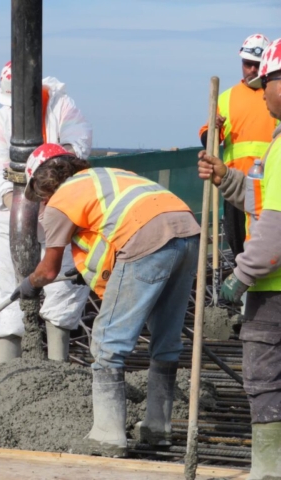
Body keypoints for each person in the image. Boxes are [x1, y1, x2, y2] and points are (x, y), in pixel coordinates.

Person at [13, 143, 200, 457]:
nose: (43, 202)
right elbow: (112, 231)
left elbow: (48, 270)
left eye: (41, 195)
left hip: (146, 239)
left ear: (44, 182)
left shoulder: (60, 202)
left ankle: (108, 435)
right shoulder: (105, 176)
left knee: (107, 342)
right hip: (187, 230)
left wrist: (29, 285)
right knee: (166, 339)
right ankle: (157, 427)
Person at [198, 38, 281, 480]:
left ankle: (268, 471)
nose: (261, 89)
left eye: (266, 79)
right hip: (268, 263)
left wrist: (238, 279)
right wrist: (225, 177)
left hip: (274, 287)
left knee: (265, 377)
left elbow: (274, 231)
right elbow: (264, 199)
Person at [0, 61, 93, 361]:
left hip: (61, 204)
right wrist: (11, 199)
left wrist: (49, 186)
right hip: (15, 214)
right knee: (12, 292)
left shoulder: (62, 107)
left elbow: (77, 147)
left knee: (62, 290)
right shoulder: (1, 119)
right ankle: (7, 369)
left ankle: (58, 367)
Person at [199, 34, 276, 260]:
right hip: (234, 185)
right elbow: (207, 138)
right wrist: (213, 129)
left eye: (257, 64)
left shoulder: (274, 95)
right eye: (247, 64)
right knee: (238, 244)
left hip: (269, 186)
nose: (252, 70)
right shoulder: (226, 97)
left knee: (267, 245)